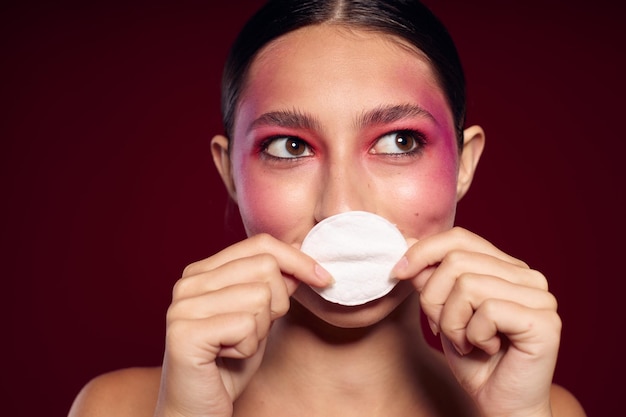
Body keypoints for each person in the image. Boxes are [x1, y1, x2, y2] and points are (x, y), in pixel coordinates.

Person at [69, 0, 587, 416]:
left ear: (464, 165)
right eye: (289, 147)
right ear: (230, 174)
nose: (341, 207)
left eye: (400, 141)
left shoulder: (544, 408)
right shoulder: (118, 408)